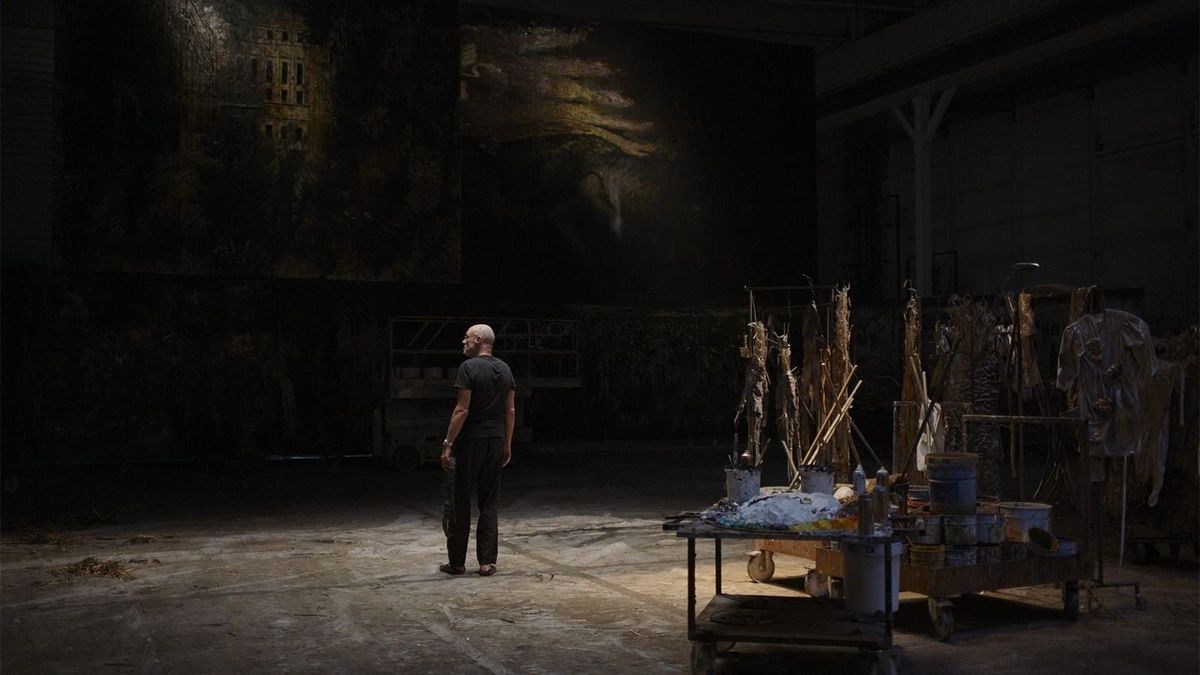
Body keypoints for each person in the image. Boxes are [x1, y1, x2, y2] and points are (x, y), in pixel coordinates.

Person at [439, 324, 516, 577]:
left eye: (467, 338)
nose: (463, 342)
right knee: (489, 501)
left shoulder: (468, 368)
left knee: (461, 500)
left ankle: (458, 563)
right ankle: (486, 562)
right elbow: (510, 411)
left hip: (471, 440)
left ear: (479, 340)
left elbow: (462, 410)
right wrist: (507, 444)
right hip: (495, 439)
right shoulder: (505, 369)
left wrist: (448, 444)